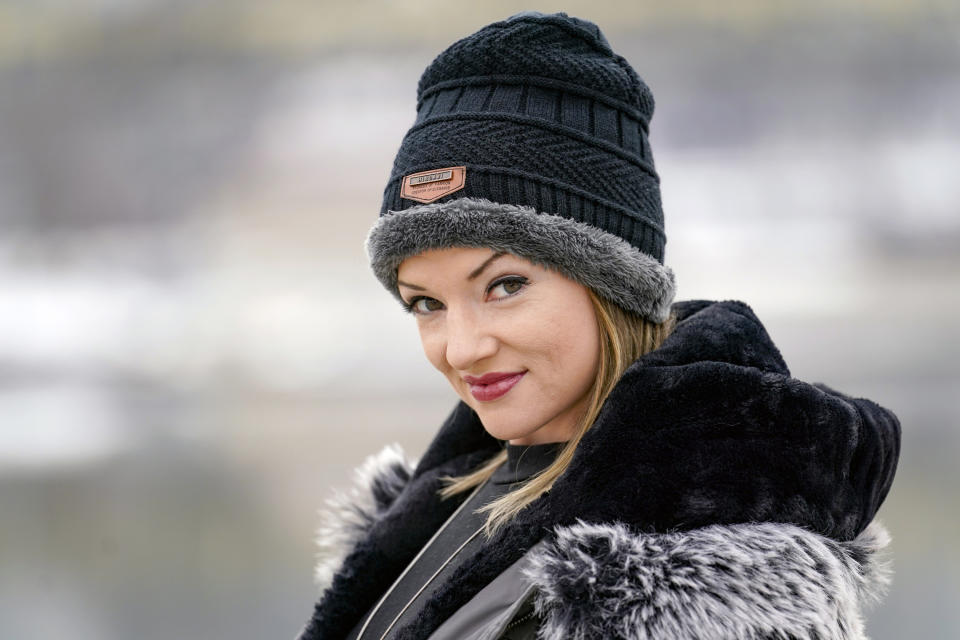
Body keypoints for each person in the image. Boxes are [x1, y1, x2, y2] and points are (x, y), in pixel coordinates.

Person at [296, 11, 901, 640]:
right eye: (425, 303)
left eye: (505, 287)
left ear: (613, 284)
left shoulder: (695, 595)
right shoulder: (455, 502)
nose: (462, 347)